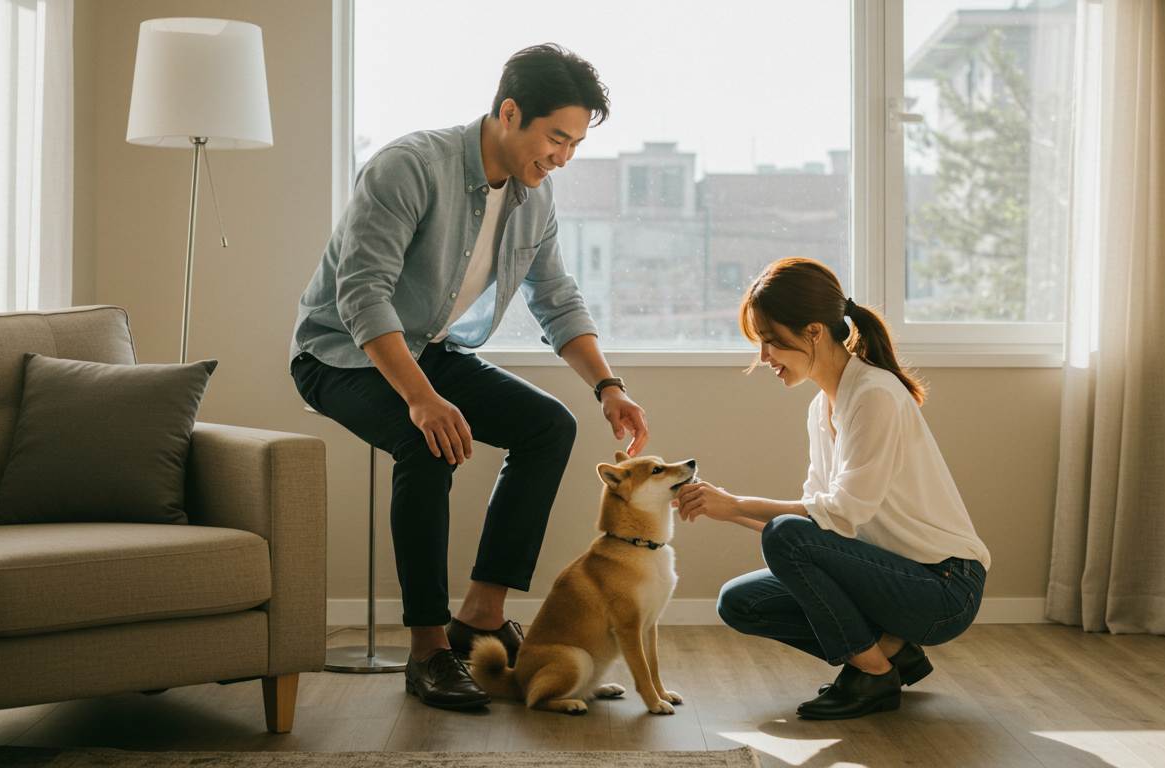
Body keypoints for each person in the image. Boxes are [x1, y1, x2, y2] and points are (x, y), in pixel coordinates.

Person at [289, 44, 649, 711]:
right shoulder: (409, 167)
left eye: (573, 143)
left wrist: (609, 387)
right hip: (336, 353)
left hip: (428, 347)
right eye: (556, 139)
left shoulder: (534, 198)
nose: (563, 156)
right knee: (423, 441)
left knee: (548, 427)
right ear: (510, 112)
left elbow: (557, 297)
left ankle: (482, 616)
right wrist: (422, 399)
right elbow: (362, 295)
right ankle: (428, 651)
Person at [673, 257, 989, 720]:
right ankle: (891, 655)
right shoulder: (822, 408)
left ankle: (874, 673)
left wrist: (737, 503)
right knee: (739, 602)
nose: (764, 359)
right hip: (891, 575)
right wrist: (720, 506)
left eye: (771, 341)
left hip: (944, 586)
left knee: (783, 535)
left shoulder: (873, 395)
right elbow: (818, 519)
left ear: (815, 331)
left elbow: (838, 514)